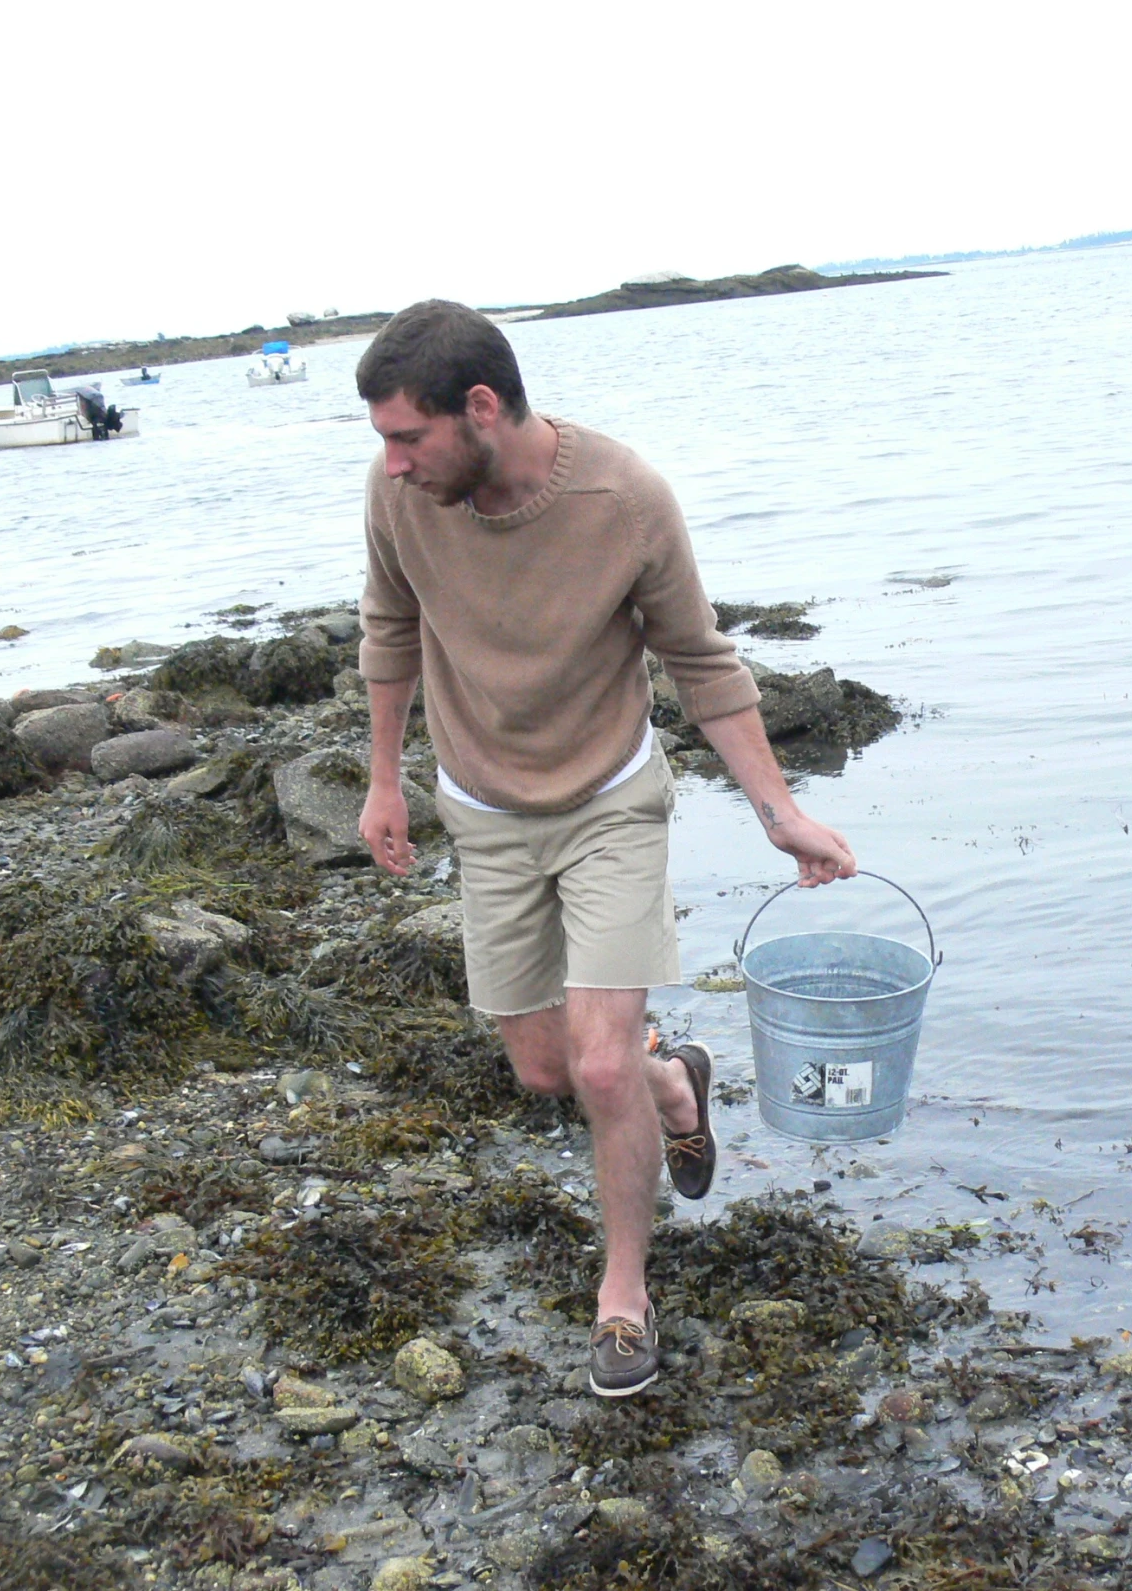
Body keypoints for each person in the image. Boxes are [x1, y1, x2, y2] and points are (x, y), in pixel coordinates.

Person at [351, 299, 856, 1397]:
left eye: (405, 436)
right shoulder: (401, 504)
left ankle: (621, 1298)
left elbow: (702, 663)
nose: (390, 463)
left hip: (609, 803)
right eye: (384, 441)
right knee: (544, 1069)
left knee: (593, 1062)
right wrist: (384, 779)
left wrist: (779, 812)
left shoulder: (623, 498)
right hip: (480, 810)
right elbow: (389, 631)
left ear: (479, 408)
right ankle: (676, 1085)